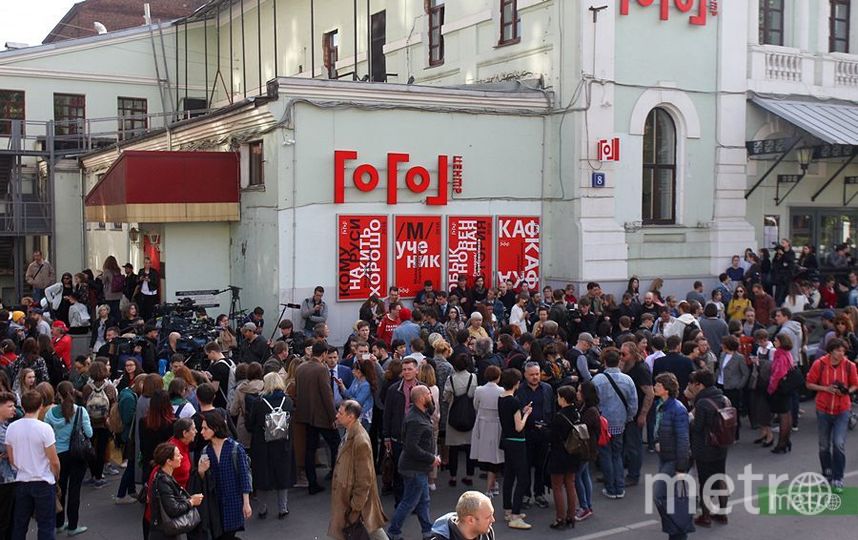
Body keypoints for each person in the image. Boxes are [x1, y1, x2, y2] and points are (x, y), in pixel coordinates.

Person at [328, 400, 388, 540]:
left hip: (356, 505)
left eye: (340, 413)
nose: (337, 415)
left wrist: (355, 508)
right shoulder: (349, 433)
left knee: (370, 532)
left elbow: (364, 480)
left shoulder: (360, 441)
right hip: (349, 502)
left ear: (351, 417)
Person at [386, 386, 439, 540]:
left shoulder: (419, 414)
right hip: (414, 469)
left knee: (423, 501)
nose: (431, 396)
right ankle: (393, 532)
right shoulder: (416, 419)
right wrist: (432, 458)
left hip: (417, 468)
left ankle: (427, 532)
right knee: (409, 502)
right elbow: (411, 447)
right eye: (429, 394)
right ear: (422, 398)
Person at [6, 390, 61, 540]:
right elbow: (54, 461)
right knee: (46, 525)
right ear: (41, 406)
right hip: (43, 481)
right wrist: (56, 475)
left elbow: (11, 459)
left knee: (20, 525)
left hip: (22, 481)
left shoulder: (11, 428)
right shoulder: (44, 429)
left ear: (22, 406)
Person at [805, 338, 858, 491]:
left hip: (842, 409)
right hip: (823, 409)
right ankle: (827, 474)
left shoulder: (849, 366)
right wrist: (826, 389)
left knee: (838, 444)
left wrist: (847, 391)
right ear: (831, 351)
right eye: (838, 351)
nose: (841, 354)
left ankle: (838, 478)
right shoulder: (819, 364)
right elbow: (809, 383)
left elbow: (855, 383)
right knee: (823, 446)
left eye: (843, 351)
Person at [44, 381, 93, 536]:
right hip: (78, 455)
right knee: (74, 491)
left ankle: (59, 523)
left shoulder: (50, 414)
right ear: (73, 391)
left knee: (60, 489)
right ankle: (73, 526)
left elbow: (47, 434)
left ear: (58, 394)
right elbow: (89, 433)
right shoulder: (80, 411)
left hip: (58, 455)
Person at [246, 372, 294, 519]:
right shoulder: (287, 401)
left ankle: (262, 508)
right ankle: (283, 508)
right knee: (282, 475)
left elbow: (250, 425)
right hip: (282, 443)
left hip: (262, 445)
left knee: (262, 475)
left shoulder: (258, 402)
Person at [199, 410, 253, 540]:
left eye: (205, 428)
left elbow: (244, 477)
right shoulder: (206, 451)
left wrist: (246, 503)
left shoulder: (235, 448)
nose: (202, 432)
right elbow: (203, 482)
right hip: (214, 504)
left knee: (228, 535)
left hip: (233, 501)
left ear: (215, 428)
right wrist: (201, 471)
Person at [652, 372, 693, 540]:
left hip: (674, 459)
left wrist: (681, 467)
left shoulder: (677, 409)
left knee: (660, 495)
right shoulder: (661, 406)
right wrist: (656, 441)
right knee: (670, 497)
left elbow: (683, 439)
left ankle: (677, 530)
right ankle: (675, 531)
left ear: (666, 389)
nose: (655, 387)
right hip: (665, 455)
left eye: (658, 385)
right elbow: (658, 428)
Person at [592, 348, 638, 499]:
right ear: (619, 361)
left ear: (604, 361)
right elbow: (633, 403)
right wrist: (628, 417)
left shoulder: (597, 380)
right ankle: (619, 486)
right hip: (620, 422)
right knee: (617, 455)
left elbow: (593, 402)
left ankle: (610, 487)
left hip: (603, 423)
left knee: (605, 455)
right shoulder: (628, 380)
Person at [686, 369, 730, 527]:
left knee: (705, 481)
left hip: (705, 447)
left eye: (695, 384)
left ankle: (705, 516)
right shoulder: (723, 398)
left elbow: (697, 427)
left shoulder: (702, 402)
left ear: (700, 384)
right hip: (722, 444)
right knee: (720, 477)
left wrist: (690, 419)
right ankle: (723, 513)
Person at [295, 341, 338, 495]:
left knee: (310, 449)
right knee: (336, 444)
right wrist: (334, 416)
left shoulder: (300, 368)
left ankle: (312, 482)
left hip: (305, 415)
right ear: (324, 354)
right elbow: (327, 395)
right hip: (321, 416)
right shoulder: (322, 369)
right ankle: (336, 478)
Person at [515, 362, 554, 508]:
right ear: (525, 375)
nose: (535, 377)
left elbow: (552, 408)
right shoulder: (520, 390)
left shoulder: (547, 388)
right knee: (525, 466)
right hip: (527, 432)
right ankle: (525, 494)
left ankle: (539, 493)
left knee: (541, 465)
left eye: (537, 374)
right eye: (532, 374)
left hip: (543, 433)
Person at [146, 442, 204, 540]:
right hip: (164, 534)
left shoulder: (163, 476)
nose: (181, 457)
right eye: (178, 455)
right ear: (169, 461)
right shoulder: (163, 481)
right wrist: (191, 502)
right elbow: (173, 509)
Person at [497, 368, 533, 529]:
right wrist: (526, 415)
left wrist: (521, 412)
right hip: (517, 441)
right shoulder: (514, 401)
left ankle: (508, 509)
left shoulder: (502, 398)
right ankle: (515, 515)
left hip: (506, 440)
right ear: (517, 383)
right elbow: (519, 426)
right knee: (522, 477)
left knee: (509, 476)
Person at [547, 385, 580, 530]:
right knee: (570, 485)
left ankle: (560, 517)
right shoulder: (577, 413)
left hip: (559, 454)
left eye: (559, 396)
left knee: (557, 486)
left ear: (563, 399)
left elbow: (552, 437)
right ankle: (571, 516)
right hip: (573, 453)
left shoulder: (559, 416)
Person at [621, 341, 653, 487]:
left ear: (633, 355)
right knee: (626, 444)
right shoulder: (628, 366)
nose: (621, 357)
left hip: (636, 413)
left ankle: (634, 475)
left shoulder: (641, 369)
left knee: (634, 444)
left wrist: (643, 414)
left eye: (624, 354)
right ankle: (622, 471)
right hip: (626, 412)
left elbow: (649, 393)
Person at [81, 359, 118, 487]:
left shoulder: (87, 388)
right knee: (102, 449)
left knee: (91, 448)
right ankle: (99, 476)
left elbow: (84, 403)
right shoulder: (109, 387)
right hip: (104, 423)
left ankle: (92, 474)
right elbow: (113, 404)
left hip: (90, 422)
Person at [469, 365, 504, 498]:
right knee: (495, 455)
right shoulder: (501, 390)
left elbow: (475, 405)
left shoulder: (479, 390)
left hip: (482, 423)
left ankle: (492, 485)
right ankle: (491, 486)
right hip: (497, 424)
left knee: (485, 454)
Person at [444, 353, 477, 488]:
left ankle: (453, 477)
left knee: (453, 449)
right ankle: (469, 476)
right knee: (470, 448)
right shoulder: (473, 377)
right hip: (470, 414)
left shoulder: (451, 379)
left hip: (454, 415)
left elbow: (445, 396)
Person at [574, 381, 601, 522]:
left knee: (578, 476)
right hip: (588, 449)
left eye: (579, 391)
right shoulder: (587, 407)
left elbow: (581, 429)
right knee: (584, 475)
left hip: (586, 449)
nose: (577, 393)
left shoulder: (590, 411)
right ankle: (587, 505)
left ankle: (584, 506)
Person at [429, 491, 496, 540]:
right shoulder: (441, 538)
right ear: (470, 520)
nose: (493, 520)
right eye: (488, 517)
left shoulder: (486, 533)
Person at [768, 333, 795, 454]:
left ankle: (782, 443)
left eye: (776, 340)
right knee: (787, 414)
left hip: (780, 389)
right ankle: (786, 441)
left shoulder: (779, 355)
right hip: (787, 388)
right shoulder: (788, 353)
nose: (774, 342)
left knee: (783, 416)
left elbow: (777, 374)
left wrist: (771, 388)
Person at [748, 330, 775, 447]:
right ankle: (764, 432)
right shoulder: (760, 349)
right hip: (759, 381)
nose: (760, 344)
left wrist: (758, 362)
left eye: (762, 341)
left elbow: (772, 366)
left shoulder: (772, 350)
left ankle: (769, 435)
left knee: (765, 408)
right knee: (759, 406)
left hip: (767, 381)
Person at [0, 391, 17, 540]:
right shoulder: (3, 431)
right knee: (5, 517)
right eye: (10, 406)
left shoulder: (7, 426)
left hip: (8, 477)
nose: (14, 409)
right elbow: (11, 448)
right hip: (5, 479)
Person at [165, 418, 197, 490]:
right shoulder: (173, 449)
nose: (196, 431)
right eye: (193, 429)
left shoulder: (184, 445)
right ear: (185, 433)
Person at [136, 257, 161, 322]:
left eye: (148, 263)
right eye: (146, 263)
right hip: (143, 292)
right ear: (143, 263)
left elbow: (156, 283)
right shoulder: (141, 271)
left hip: (151, 293)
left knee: (150, 310)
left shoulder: (154, 272)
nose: (147, 264)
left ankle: (150, 322)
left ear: (150, 264)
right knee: (143, 309)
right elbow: (137, 281)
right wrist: (140, 279)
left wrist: (149, 280)